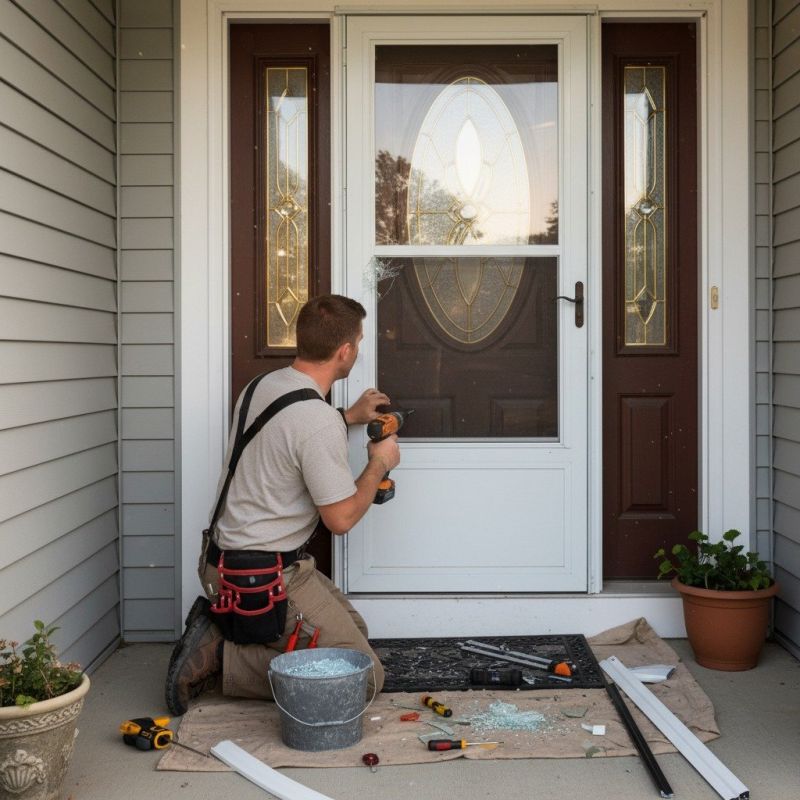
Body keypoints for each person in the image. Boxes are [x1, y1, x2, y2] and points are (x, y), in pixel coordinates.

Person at [165, 294, 401, 715]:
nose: (358, 351)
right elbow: (341, 518)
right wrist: (379, 462)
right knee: (363, 675)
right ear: (345, 351)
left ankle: (230, 639)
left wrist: (346, 417)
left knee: (357, 634)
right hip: (263, 578)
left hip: (222, 561)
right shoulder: (315, 421)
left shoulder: (266, 385)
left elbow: (290, 433)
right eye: (359, 342)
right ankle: (220, 658)